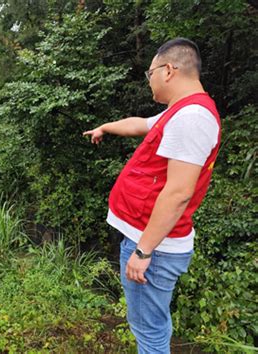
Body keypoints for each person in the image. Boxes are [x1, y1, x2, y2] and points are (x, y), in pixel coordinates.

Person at [83, 38, 221, 353]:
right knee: (151, 325)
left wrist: (143, 252)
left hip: (154, 247)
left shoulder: (192, 118)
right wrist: (105, 127)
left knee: (149, 333)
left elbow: (178, 193)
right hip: (150, 241)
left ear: (169, 70)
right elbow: (140, 125)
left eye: (150, 73)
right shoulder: (181, 112)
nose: (150, 81)